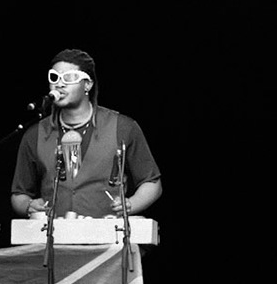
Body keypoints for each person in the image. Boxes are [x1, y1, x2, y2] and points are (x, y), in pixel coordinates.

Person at [11, 49, 163, 219]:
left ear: (88, 85)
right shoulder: (35, 134)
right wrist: (28, 205)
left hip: (107, 230)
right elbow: (19, 194)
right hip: (53, 232)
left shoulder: (123, 127)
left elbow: (152, 183)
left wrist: (131, 204)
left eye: (69, 77)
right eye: (54, 77)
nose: (60, 84)